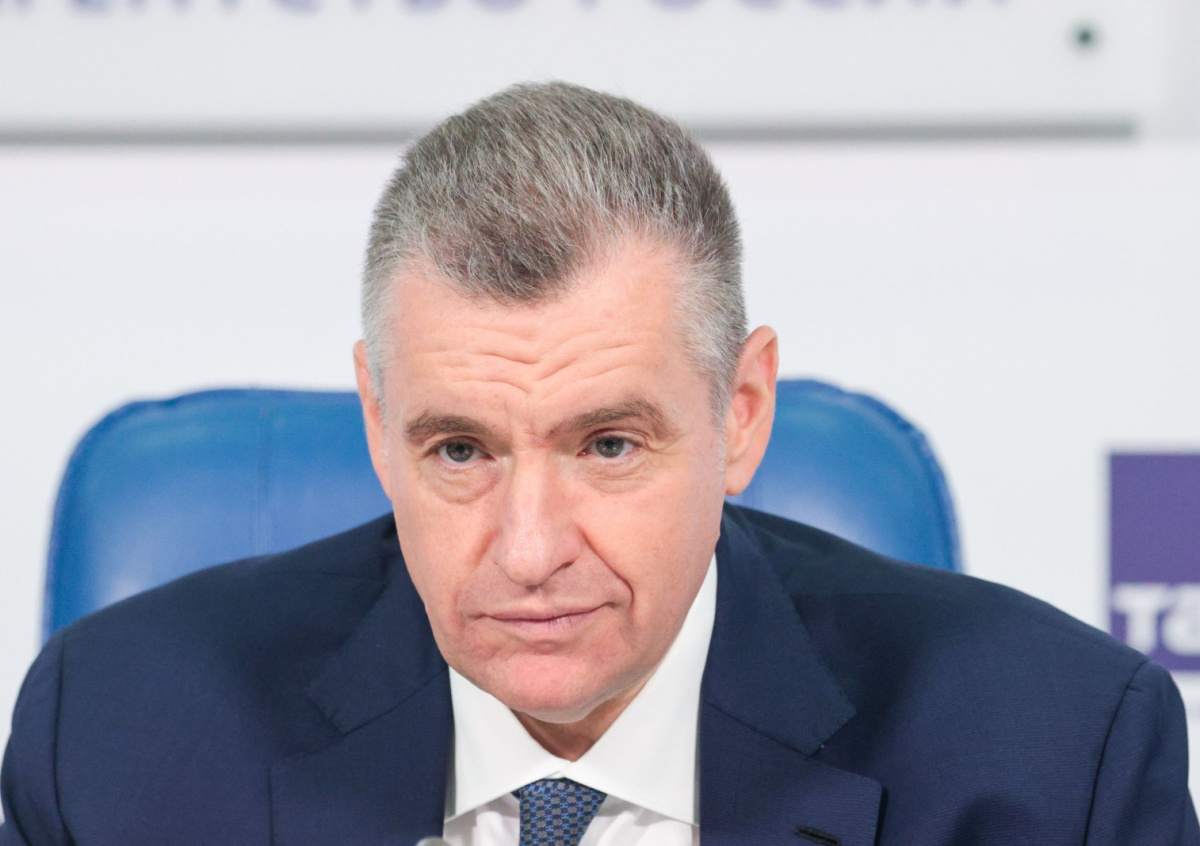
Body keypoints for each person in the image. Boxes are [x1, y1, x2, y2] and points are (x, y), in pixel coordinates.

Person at [1, 82, 1196, 846]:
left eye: (609, 445)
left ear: (740, 415)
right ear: (376, 421)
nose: (528, 551)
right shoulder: (115, 739)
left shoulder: (1057, 764)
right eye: (459, 449)